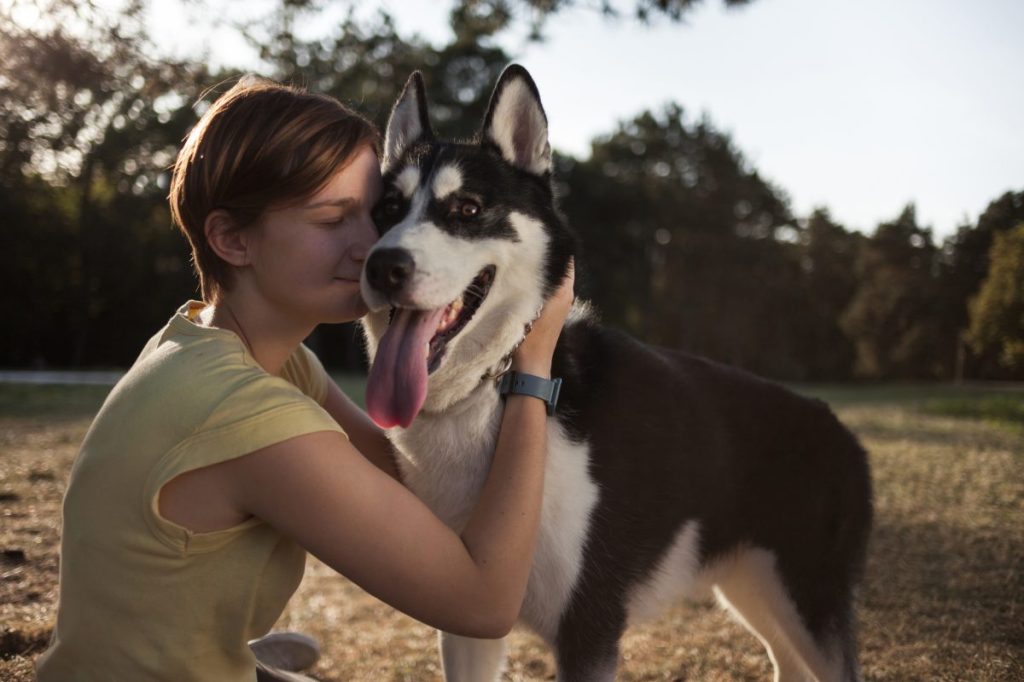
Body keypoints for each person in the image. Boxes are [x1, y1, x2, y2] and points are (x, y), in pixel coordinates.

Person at [35, 76, 574, 681]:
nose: (376, 245)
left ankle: (241, 658)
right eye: (331, 221)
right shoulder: (243, 410)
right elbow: (485, 604)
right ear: (232, 240)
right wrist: (533, 366)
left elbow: (403, 481)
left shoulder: (222, 348)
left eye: (376, 213)